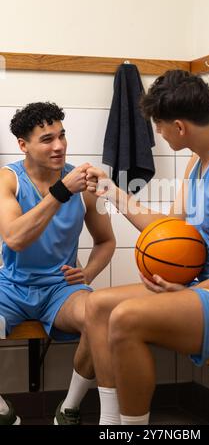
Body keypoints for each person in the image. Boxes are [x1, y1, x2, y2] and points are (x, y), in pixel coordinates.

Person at [84, 69, 209, 425]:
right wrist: (112, 192)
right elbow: (171, 230)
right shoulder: (197, 159)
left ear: (179, 127)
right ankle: (110, 424)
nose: (157, 134)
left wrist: (190, 291)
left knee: (127, 318)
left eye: (159, 127)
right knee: (98, 305)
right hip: (205, 290)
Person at [0, 102, 116, 425]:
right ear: (23, 145)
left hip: (60, 289)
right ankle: (2, 410)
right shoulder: (7, 180)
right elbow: (14, 238)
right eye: (47, 139)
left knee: (102, 318)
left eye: (62, 136)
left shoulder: (84, 184)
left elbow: (106, 241)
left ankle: (69, 409)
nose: (59, 146)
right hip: (10, 285)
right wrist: (61, 192)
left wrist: (88, 272)